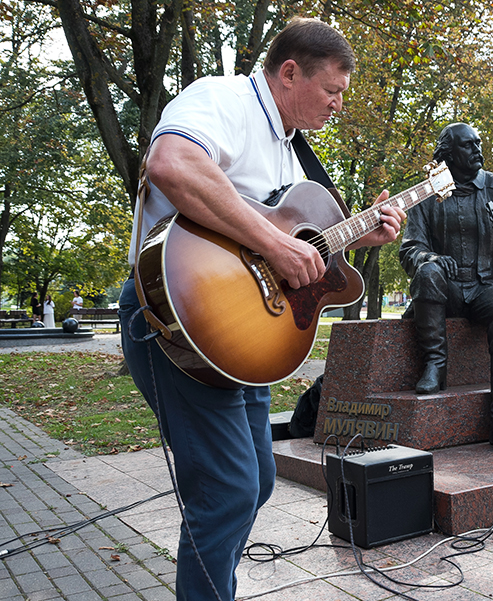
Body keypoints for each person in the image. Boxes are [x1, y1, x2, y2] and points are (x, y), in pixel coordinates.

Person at [118, 17, 405, 601]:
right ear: (290, 72)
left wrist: (359, 236)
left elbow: (302, 252)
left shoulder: (290, 157)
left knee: (258, 481)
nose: (338, 106)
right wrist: (276, 244)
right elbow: (171, 165)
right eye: (332, 91)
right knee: (226, 488)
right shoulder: (222, 98)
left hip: (244, 337)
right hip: (178, 320)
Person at [399, 123, 493, 451]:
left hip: (487, 287)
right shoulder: (426, 195)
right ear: (449, 154)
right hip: (448, 291)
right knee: (428, 272)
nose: (477, 150)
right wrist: (430, 257)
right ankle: (435, 364)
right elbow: (409, 248)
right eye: (468, 146)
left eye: (478, 143)